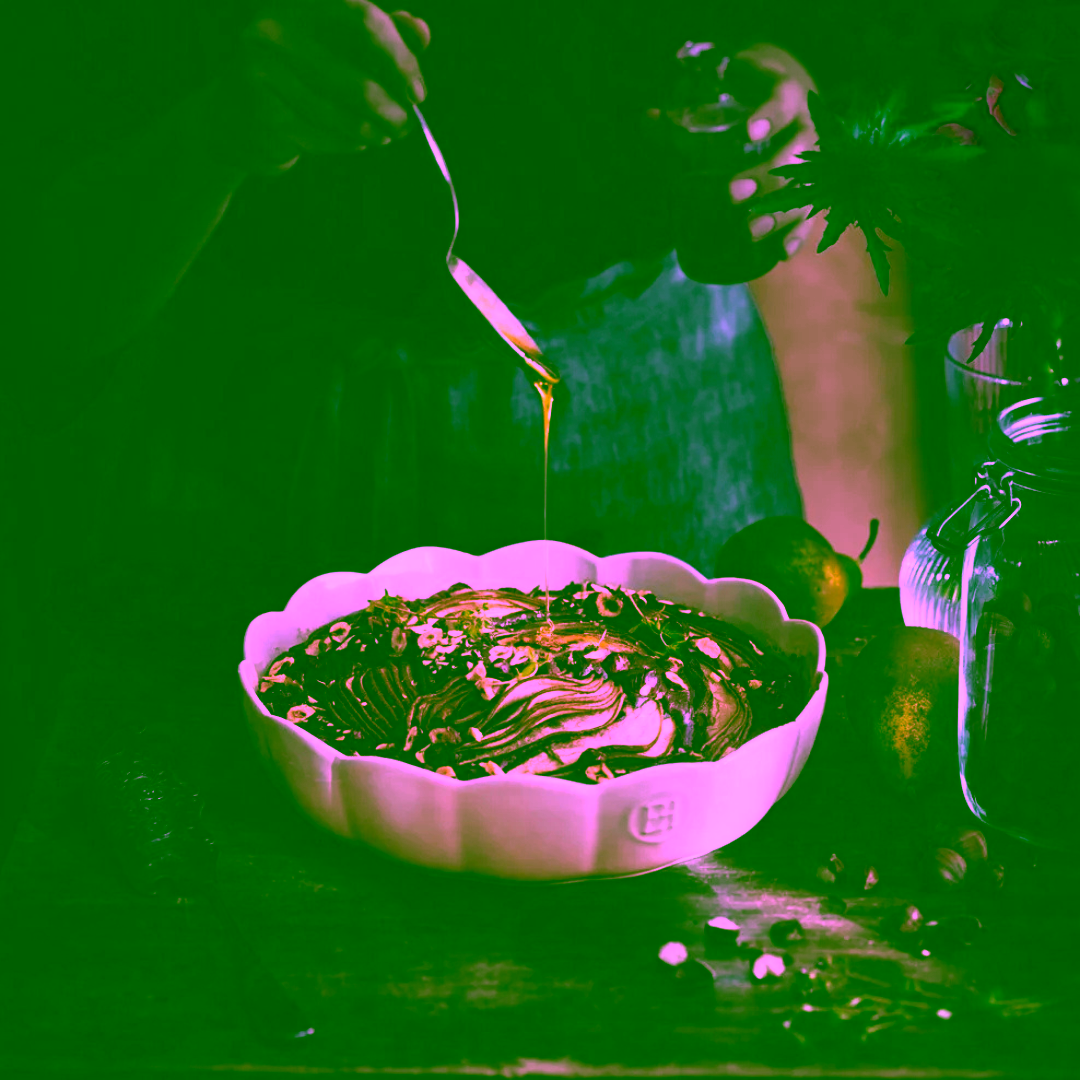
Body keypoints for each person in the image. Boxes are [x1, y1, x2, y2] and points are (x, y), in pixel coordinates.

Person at [1, 0, 842, 862]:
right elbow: (42, 305)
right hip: (249, 430)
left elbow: (852, 41)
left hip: (651, 389)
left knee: (706, 816)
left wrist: (796, 82)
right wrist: (222, 128)